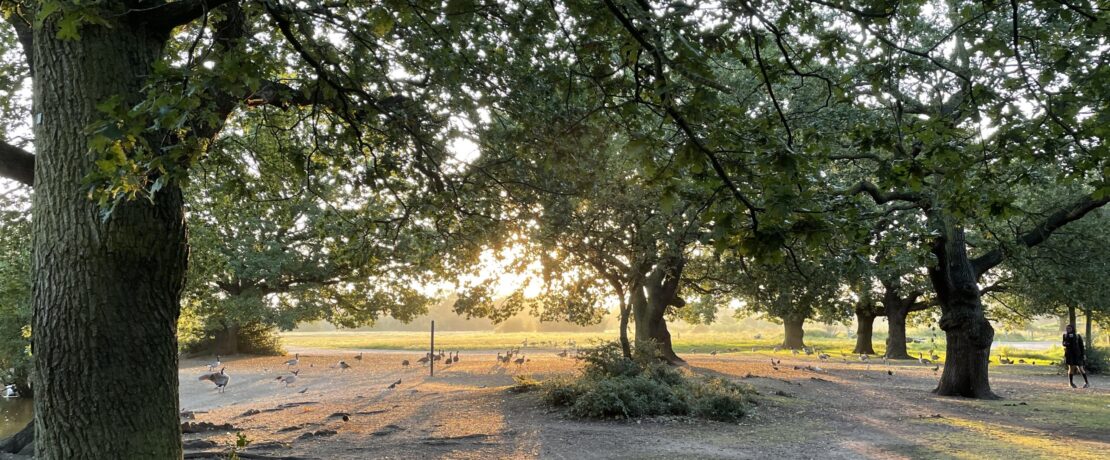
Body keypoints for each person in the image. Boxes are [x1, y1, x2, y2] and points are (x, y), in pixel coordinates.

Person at [1062, 324, 1089, 388]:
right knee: (1071, 369)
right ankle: (1071, 383)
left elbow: (1081, 346)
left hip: (1078, 354)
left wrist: (1083, 354)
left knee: (1081, 368)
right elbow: (1063, 343)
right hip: (1069, 354)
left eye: (1070, 328)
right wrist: (1066, 343)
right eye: (1067, 328)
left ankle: (1086, 383)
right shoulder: (1065, 335)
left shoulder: (1077, 336)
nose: (1068, 330)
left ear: (1073, 329)